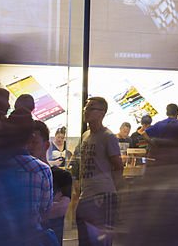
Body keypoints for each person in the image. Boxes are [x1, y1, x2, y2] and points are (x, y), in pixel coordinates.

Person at [75, 96, 123, 246]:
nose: (86, 111)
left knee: (101, 240)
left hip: (103, 195)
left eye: (90, 108)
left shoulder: (108, 137)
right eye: (86, 108)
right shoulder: (85, 136)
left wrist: (110, 189)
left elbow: (118, 166)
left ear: (102, 112)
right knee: (84, 238)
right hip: (86, 194)